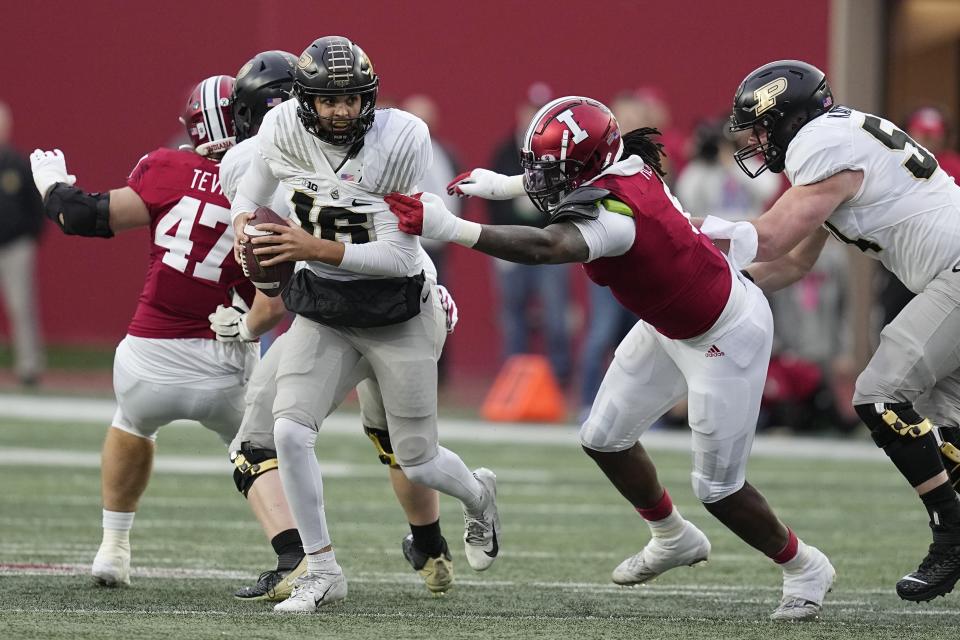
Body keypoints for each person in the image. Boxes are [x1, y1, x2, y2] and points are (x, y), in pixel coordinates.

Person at [391, 96, 834, 621]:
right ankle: (671, 536)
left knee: (717, 489)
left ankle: (805, 566)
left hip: (726, 334)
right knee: (602, 438)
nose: (541, 180)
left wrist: (453, 229)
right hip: (672, 320)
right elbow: (571, 185)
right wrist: (506, 184)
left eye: (550, 170)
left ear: (589, 164)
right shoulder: (627, 159)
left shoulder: (616, 219)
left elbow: (545, 246)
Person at [230, 36, 500, 614]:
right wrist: (243, 226)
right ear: (304, 101)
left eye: (352, 98)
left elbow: (400, 259)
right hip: (326, 309)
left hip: (396, 308)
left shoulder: (400, 140)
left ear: (369, 97)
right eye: (328, 100)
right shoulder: (280, 129)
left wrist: (311, 246)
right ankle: (322, 569)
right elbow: (251, 192)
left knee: (417, 457)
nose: (342, 110)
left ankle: (478, 496)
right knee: (289, 431)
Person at [28, 75, 285, 587]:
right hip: (226, 360)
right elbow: (278, 295)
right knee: (261, 451)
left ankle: (113, 548)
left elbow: (83, 216)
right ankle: (297, 553)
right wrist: (252, 324)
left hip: (148, 357)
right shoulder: (275, 181)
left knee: (131, 422)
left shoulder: (166, 168)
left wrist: (52, 186)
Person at [727, 59, 960, 603]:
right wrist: (719, 287)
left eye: (762, 127)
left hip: (954, 273)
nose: (758, 141)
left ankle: (951, 535)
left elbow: (770, 237)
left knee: (880, 397)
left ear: (789, 118)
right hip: (947, 278)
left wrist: (681, 240)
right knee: (948, 440)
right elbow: (789, 263)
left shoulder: (820, 143)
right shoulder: (838, 141)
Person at [476, 82, 573, 386]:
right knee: (512, 317)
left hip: (549, 244)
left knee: (556, 316)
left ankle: (558, 382)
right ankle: (512, 382)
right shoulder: (505, 152)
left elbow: (565, 199)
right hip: (511, 246)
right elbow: (493, 200)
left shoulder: (560, 154)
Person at [0, 102, 45, 387]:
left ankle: (29, 366)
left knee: (20, 305)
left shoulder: (16, 164)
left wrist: (29, 236)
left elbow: (35, 205)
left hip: (15, 246)